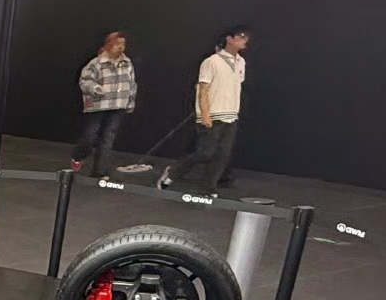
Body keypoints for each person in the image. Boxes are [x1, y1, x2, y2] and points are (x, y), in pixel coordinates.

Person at [159, 25, 250, 194]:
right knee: (206, 153)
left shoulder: (241, 62)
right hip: (212, 113)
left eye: (245, 37)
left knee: (222, 155)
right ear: (229, 39)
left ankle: (207, 188)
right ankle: (173, 172)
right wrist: (205, 113)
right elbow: (203, 89)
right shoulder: (211, 61)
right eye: (241, 36)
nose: (245, 40)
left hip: (231, 114)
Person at [69, 31, 137, 178]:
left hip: (117, 105)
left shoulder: (127, 63)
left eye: (123, 44)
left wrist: (130, 102)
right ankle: (78, 155)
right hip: (98, 105)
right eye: (117, 44)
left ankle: (99, 172)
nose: (121, 47)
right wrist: (95, 89)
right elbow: (84, 81)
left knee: (107, 139)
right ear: (109, 45)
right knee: (90, 136)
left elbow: (131, 84)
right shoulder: (97, 63)